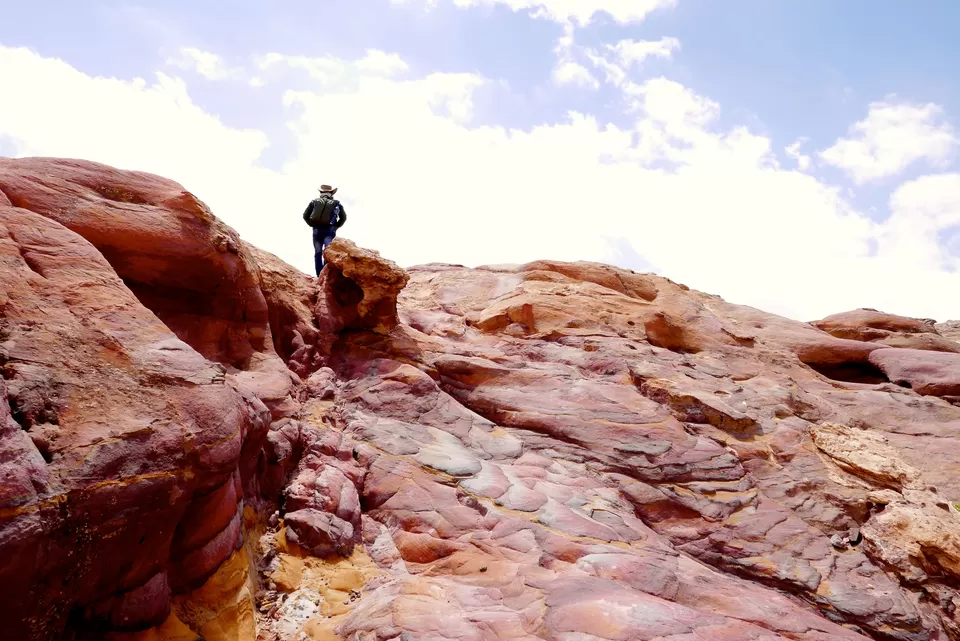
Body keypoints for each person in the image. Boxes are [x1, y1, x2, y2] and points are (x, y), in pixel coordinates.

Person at [302, 185, 347, 275]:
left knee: (318, 252)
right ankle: (326, 274)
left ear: (321, 192)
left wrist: (312, 224)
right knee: (328, 252)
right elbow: (343, 217)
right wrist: (336, 226)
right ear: (331, 193)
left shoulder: (314, 202)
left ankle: (319, 274)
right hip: (330, 230)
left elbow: (305, 215)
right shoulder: (336, 203)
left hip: (317, 229)